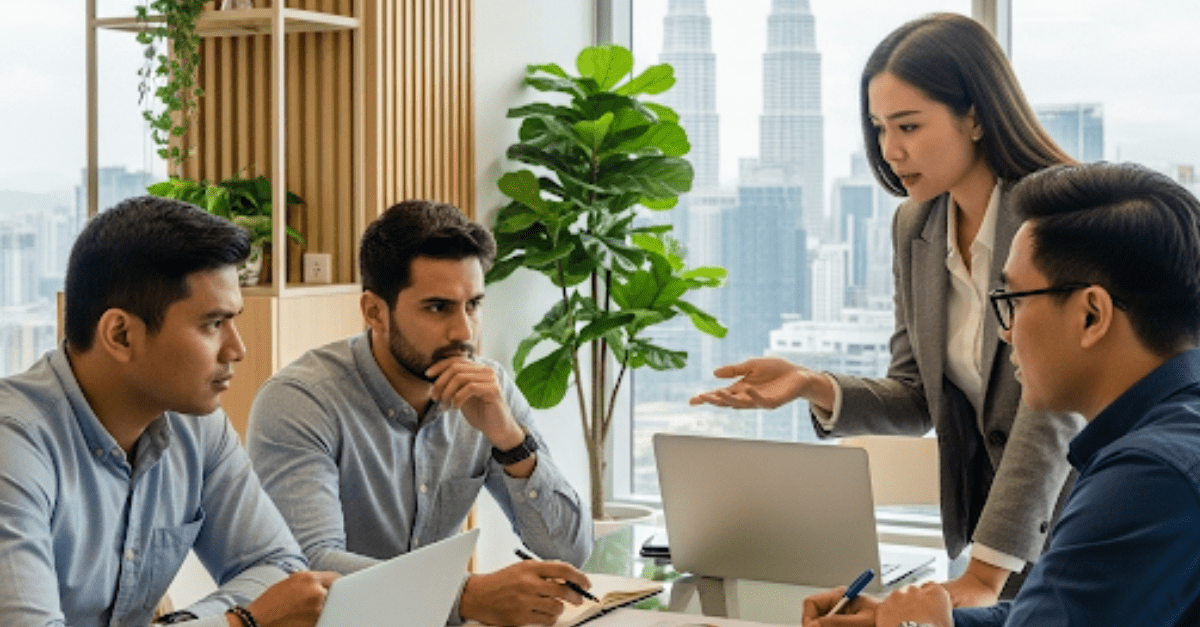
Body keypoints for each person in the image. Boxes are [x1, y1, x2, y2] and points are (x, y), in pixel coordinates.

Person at [691, 13, 1084, 606]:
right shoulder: (917, 225)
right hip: (985, 537)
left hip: (1078, 520)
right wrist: (811, 385)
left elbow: (1051, 408)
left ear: (975, 116)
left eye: (908, 125)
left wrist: (983, 575)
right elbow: (916, 395)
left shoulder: (1055, 218)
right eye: (878, 128)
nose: (891, 150)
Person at [845, 162, 1200, 626]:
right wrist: (943, 620)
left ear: (1091, 315)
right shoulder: (1170, 437)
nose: (1005, 333)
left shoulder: (1148, 479)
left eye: (1013, 301)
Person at [246, 199, 593, 627]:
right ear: (374, 311)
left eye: (474, 305)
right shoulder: (301, 401)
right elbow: (308, 567)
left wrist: (510, 441)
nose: (464, 332)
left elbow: (571, 552)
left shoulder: (490, 389)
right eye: (438, 308)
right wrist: (465, 595)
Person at [0, 196, 336, 627]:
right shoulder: (15, 443)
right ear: (120, 334)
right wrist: (241, 623)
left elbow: (279, 566)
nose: (237, 348)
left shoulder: (197, 426)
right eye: (213, 323)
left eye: (234, 320)